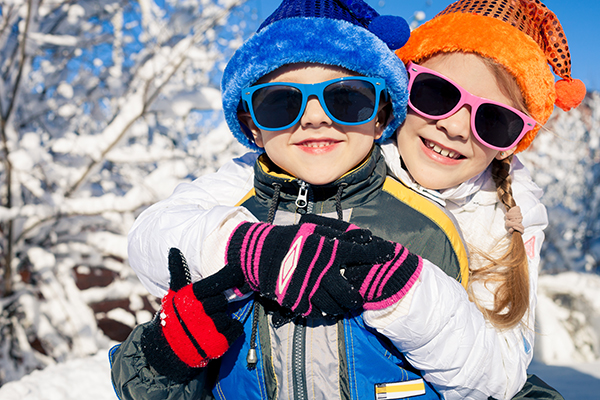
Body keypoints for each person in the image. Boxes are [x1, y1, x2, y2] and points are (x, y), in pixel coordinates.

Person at [114, 0, 586, 399]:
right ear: (401, 94)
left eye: (496, 121)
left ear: (513, 142)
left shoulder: (502, 220)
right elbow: (157, 232)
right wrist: (246, 250)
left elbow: (498, 377)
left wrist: (408, 291)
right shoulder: (308, 159)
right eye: (437, 94)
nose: (457, 126)